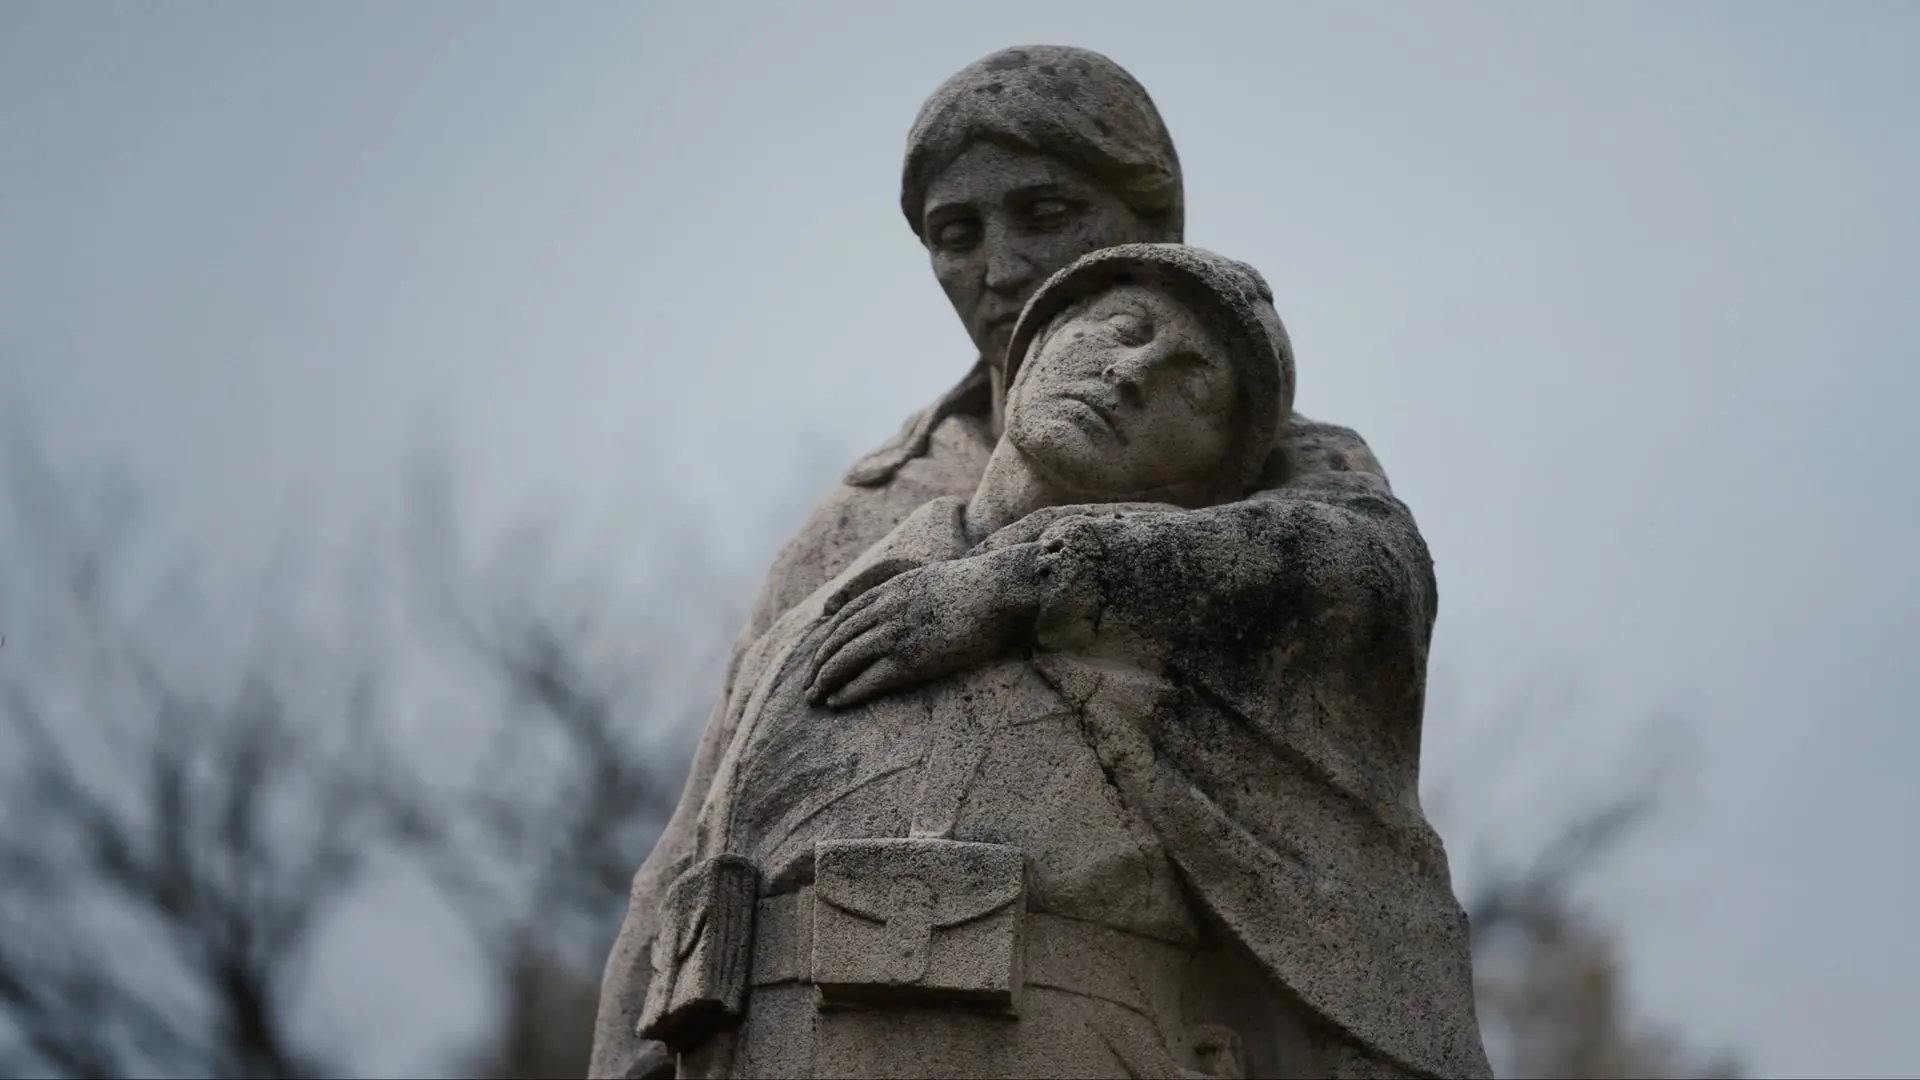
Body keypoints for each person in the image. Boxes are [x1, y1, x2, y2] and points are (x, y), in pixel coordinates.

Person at [591, 49, 1487, 1080]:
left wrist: (1032, 582)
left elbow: (1367, 574)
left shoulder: (1253, 444)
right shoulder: (866, 509)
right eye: (956, 234)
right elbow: (699, 827)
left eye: (1048, 212)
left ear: (1151, 221)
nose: (1001, 265)